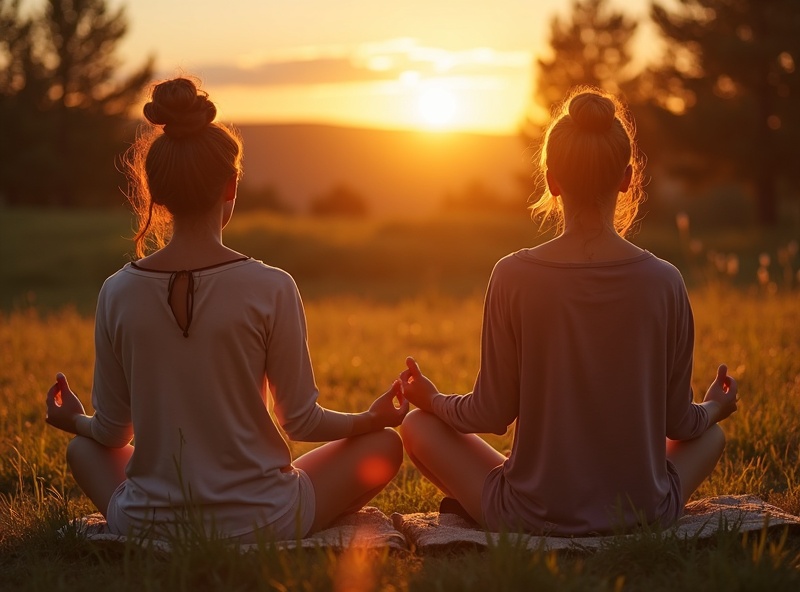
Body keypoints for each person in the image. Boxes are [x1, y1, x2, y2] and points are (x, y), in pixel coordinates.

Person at [45, 77, 408, 543]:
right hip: (266, 519)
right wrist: (368, 421)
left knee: (83, 449)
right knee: (384, 446)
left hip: (147, 521)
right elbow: (300, 420)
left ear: (155, 190)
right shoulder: (272, 286)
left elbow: (113, 434)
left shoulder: (116, 291)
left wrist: (72, 419)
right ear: (230, 186)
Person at [398, 87, 739, 536]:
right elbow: (680, 422)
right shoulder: (665, 281)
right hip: (642, 512)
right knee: (711, 435)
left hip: (529, 514)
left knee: (417, 425)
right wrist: (716, 407)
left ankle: (518, 491)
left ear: (551, 181)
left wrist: (432, 400)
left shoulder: (512, 275)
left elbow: (489, 413)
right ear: (627, 178)